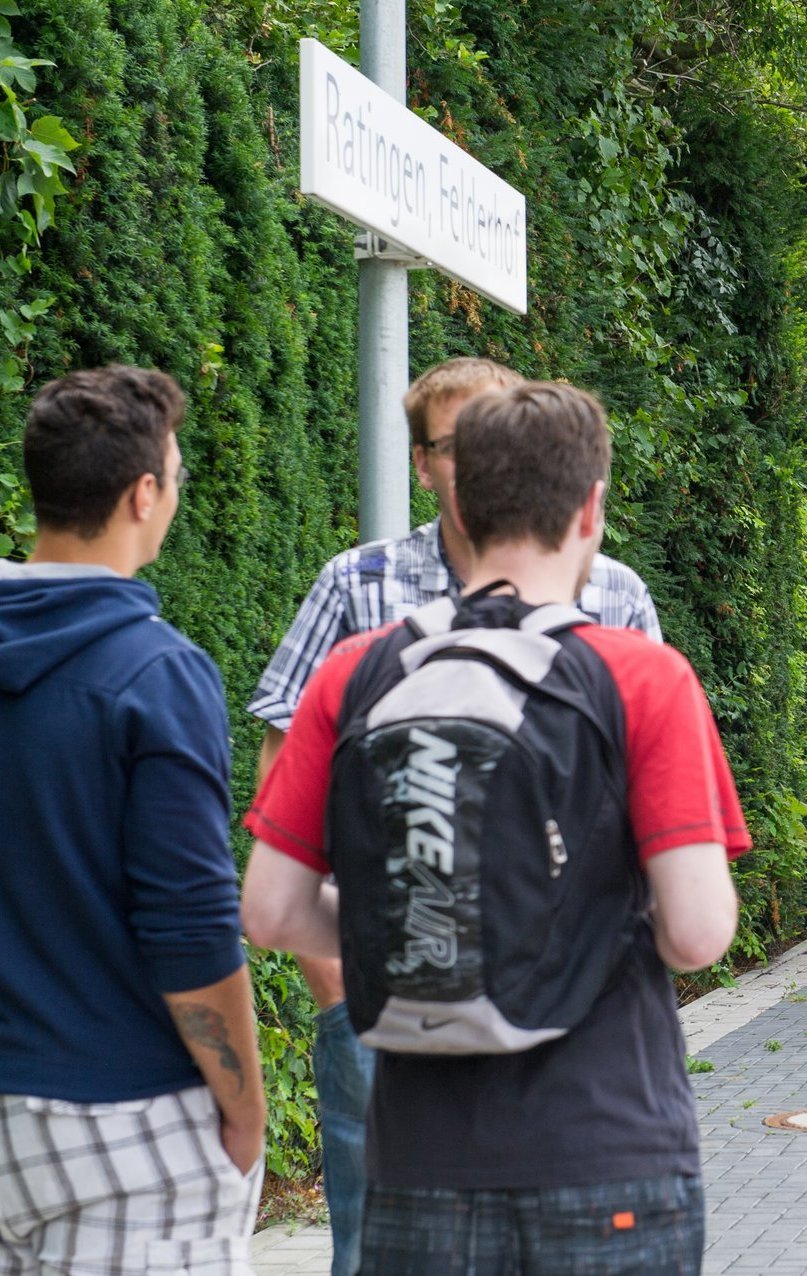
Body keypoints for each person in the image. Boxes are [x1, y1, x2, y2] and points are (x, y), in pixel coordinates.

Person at [242, 379, 745, 1275]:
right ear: (589, 509)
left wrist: (406, 919)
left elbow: (273, 912)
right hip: (608, 1142)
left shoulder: (356, 672)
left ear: (457, 502)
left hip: (419, 1160)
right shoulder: (643, 677)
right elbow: (699, 933)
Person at [0, 365, 265, 1273]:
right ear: (142, 492)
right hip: (125, 1126)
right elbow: (189, 925)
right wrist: (245, 1109)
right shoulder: (154, 672)